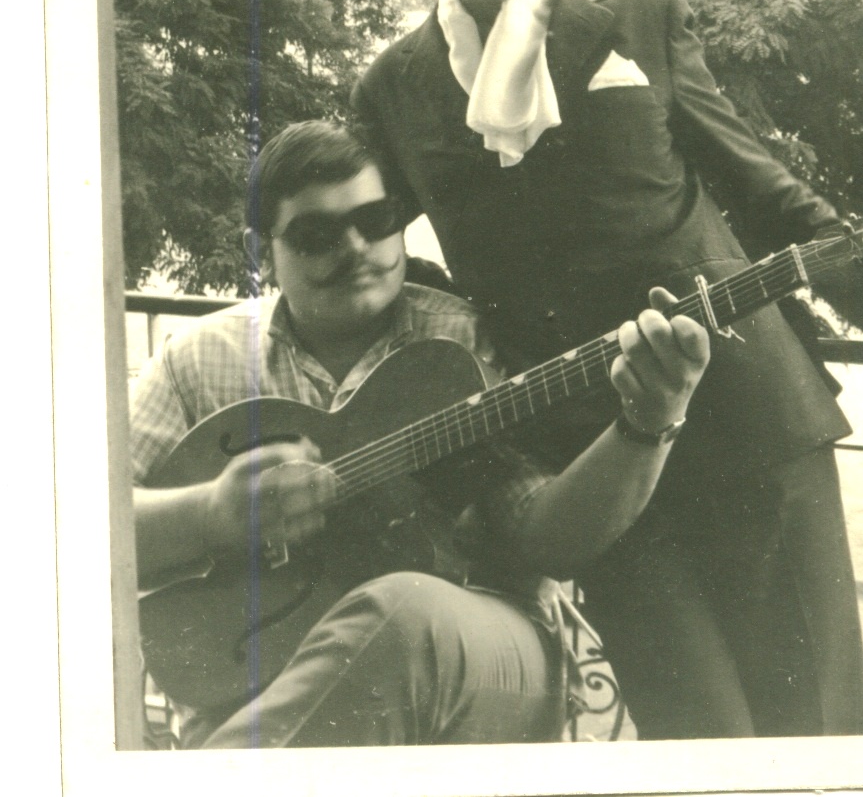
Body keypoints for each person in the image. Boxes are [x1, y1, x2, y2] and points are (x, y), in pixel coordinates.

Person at [351, 0, 863, 739]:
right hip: (594, 466)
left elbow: (764, 189)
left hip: (752, 418)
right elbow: (371, 260)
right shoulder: (392, 87)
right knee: (698, 737)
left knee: (815, 729)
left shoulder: (642, 19)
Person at [130, 119, 710, 749]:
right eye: (317, 235)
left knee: (404, 612)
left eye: (376, 220)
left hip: (477, 654)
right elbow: (77, 532)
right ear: (258, 251)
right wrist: (210, 512)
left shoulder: (465, 338)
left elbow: (545, 538)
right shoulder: (198, 359)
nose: (356, 248)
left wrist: (648, 420)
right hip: (249, 681)